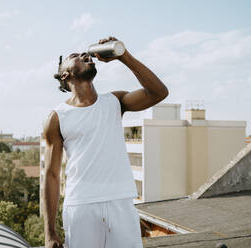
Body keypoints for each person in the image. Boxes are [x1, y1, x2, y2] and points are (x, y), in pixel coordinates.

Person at [43, 36, 168, 248]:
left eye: (85, 54)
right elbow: (52, 175)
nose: (84, 55)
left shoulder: (115, 101)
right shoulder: (57, 117)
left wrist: (124, 56)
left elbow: (158, 92)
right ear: (65, 74)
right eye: (75, 56)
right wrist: (50, 232)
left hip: (121, 201)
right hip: (80, 206)